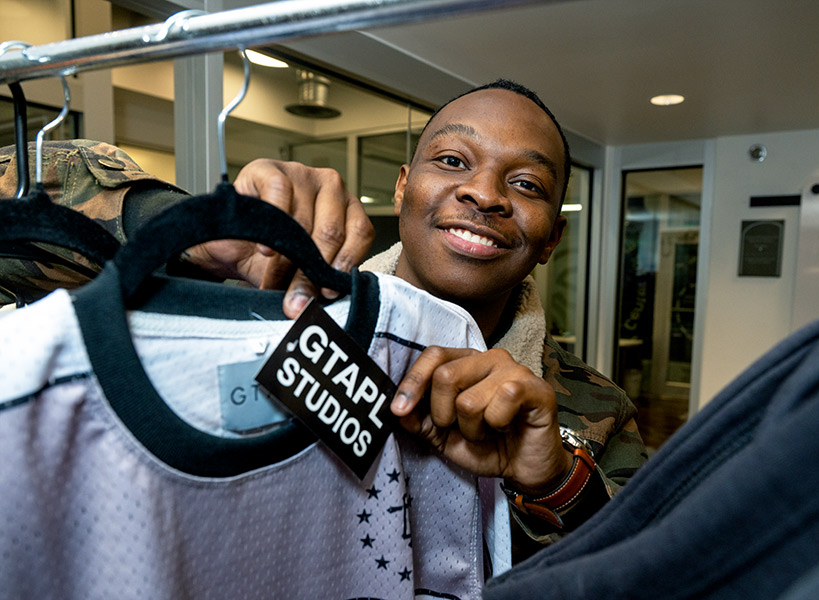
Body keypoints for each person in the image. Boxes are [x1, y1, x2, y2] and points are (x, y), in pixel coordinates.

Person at [0, 79, 647, 561]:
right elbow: (23, 204)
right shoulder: (284, 310)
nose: (483, 193)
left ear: (552, 237)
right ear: (402, 187)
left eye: (527, 184)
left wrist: (557, 482)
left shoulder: (595, 410)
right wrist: (190, 231)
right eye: (453, 160)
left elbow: (653, 572)